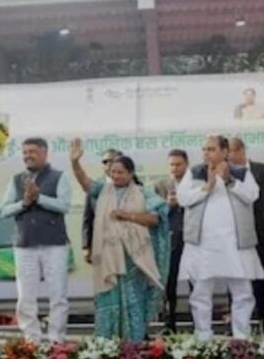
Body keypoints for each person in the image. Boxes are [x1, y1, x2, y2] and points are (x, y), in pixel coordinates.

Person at [70, 139, 169, 342]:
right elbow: (85, 182)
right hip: (108, 257)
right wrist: (75, 163)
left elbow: (155, 219)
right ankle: (108, 343)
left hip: (134, 258)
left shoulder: (143, 193)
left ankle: (134, 344)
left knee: (133, 300)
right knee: (108, 298)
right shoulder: (103, 190)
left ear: (131, 174)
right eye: (113, 172)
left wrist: (127, 216)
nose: (115, 176)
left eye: (120, 172)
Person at [177, 135, 264, 340]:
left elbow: (252, 195)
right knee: (200, 293)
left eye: (211, 149)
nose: (206, 153)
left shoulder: (241, 172)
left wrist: (229, 181)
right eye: (204, 149)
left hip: (235, 244)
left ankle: (241, 338)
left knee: (243, 292)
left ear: (224, 152)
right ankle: (203, 337)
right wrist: (207, 186)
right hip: (203, 244)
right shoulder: (195, 173)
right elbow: (183, 199)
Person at [0, 137, 72, 344]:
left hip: (54, 244)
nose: (27, 156)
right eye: (24, 152)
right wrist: (24, 202)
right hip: (25, 244)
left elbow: (64, 205)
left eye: (32, 152)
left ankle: (56, 340)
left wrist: (39, 198)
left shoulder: (59, 176)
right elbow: (5, 210)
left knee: (58, 295)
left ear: (44, 153)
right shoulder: (16, 179)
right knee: (26, 296)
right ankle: (32, 340)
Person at [227, 137, 264, 334]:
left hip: (256, 234)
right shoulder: (224, 172)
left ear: (241, 150)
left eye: (231, 151)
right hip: (231, 236)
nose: (228, 156)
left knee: (260, 279)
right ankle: (238, 327)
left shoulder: (263, 170)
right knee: (234, 281)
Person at [154, 149, 189, 333]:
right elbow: (154, 214)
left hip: (192, 239)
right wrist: (168, 205)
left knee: (195, 282)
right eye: (171, 165)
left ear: (186, 164)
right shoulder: (160, 185)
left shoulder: (196, 183)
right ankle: (169, 323)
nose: (174, 168)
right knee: (169, 282)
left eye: (178, 164)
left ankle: (198, 324)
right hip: (170, 239)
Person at [82, 148, 123, 264]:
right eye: (105, 162)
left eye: (112, 160)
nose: (108, 164)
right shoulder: (94, 186)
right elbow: (88, 218)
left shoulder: (132, 184)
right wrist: (86, 246)